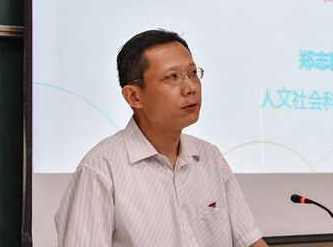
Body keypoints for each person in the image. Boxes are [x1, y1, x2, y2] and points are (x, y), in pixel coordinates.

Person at [55, 29, 268, 247]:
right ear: (134, 96)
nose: (190, 88)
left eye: (193, 73)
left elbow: (251, 242)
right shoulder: (101, 169)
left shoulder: (210, 157)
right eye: (172, 77)